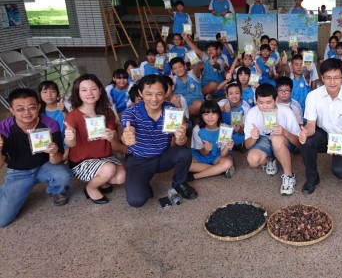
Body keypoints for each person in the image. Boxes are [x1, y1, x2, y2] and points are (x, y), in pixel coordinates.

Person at [121, 75, 197, 207]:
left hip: (163, 155)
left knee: (184, 153)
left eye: (159, 94)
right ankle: (143, 182)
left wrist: (181, 137)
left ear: (165, 93)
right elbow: (127, 131)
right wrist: (127, 136)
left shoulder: (171, 110)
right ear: (140, 93)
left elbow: (180, 142)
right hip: (140, 160)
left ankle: (179, 183)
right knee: (136, 201)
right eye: (148, 94)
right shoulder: (131, 112)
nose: (154, 99)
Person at [0, 88, 71, 227]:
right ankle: (8, 193)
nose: (27, 113)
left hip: (45, 166)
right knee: (2, 220)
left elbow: (57, 160)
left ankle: (55, 190)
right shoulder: (3, 129)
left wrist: (53, 152)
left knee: (63, 174)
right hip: (18, 172)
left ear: (38, 107)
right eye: (20, 109)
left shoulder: (50, 124)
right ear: (11, 110)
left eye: (31, 107)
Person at [299, 59, 342, 195]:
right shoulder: (313, 96)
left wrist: (339, 140)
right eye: (328, 78)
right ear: (322, 78)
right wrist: (305, 131)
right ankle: (312, 178)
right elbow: (311, 124)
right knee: (307, 141)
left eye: (336, 78)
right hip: (324, 134)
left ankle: (341, 160)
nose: (332, 82)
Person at [64, 74, 126, 204]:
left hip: (104, 157)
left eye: (93, 89)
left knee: (121, 177)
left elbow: (113, 135)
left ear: (100, 90)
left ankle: (102, 179)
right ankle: (91, 188)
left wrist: (111, 135)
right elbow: (70, 143)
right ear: (78, 93)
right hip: (81, 161)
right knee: (109, 169)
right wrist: (69, 137)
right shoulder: (73, 116)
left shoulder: (107, 112)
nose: (89, 93)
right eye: (84, 90)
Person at [244, 84, 301, 195]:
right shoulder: (251, 113)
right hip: (264, 141)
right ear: (256, 100)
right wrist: (253, 137)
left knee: (276, 139)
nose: (265, 106)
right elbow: (247, 145)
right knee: (253, 160)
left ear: (276, 100)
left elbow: (298, 142)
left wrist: (285, 132)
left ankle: (289, 176)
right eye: (261, 103)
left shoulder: (286, 112)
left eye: (268, 102)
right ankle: (271, 159)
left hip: (283, 142)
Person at [189, 100, 235, 181]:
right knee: (185, 164)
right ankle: (219, 170)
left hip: (218, 156)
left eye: (213, 113)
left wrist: (227, 147)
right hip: (201, 156)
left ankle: (194, 176)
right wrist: (206, 150)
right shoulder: (197, 129)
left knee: (227, 163)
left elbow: (223, 155)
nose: (210, 117)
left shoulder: (225, 129)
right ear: (201, 116)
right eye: (206, 114)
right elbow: (201, 152)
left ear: (218, 115)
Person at [218, 82, 250, 148]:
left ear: (241, 95)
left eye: (237, 93)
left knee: (247, 135)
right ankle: (234, 145)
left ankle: (231, 144)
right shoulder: (223, 103)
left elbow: (246, 128)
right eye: (231, 94)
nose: (234, 96)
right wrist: (222, 108)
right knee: (215, 132)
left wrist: (240, 129)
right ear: (226, 96)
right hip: (224, 129)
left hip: (237, 133)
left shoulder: (246, 107)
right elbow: (210, 111)